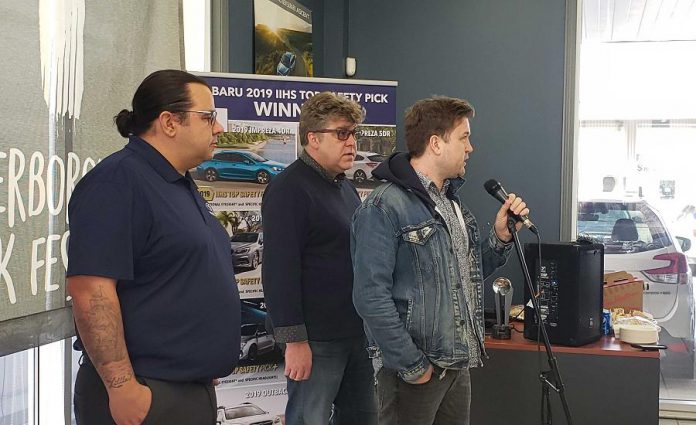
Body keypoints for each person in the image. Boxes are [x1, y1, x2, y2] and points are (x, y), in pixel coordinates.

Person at [67, 69, 241, 425]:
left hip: (187, 389)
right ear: (169, 122)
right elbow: (90, 290)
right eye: (208, 117)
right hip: (145, 395)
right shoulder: (118, 182)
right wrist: (122, 388)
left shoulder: (178, 182)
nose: (218, 128)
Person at [351, 96, 530, 425]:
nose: (471, 148)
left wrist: (501, 237)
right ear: (435, 143)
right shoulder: (384, 207)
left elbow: (466, 272)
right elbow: (370, 296)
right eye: (464, 137)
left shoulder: (451, 203)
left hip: (456, 366)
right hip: (414, 373)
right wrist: (413, 366)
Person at [261, 92, 378, 424]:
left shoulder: (345, 187)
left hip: (355, 332)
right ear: (313, 137)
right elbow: (279, 270)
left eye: (354, 133)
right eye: (342, 133)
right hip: (316, 340)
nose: (352, 142)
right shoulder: (289, 189)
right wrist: (295, 341)